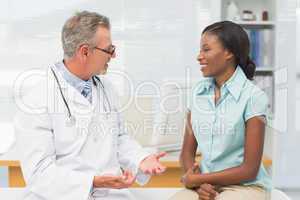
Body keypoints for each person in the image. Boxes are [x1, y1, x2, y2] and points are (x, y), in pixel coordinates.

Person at [14, 11, 166, 200]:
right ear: (85, 51)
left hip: (110, 195)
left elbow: (118, 139)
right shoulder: (36, 98)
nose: (114, 55)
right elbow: (39, 173)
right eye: (109, 50)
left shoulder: (107, 88)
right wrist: (92, 181)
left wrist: (141, 159)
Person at [169, 21, 271, 200]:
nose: (199, 57)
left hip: (244, 186)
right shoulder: (197, 92)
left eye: (206, 50)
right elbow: (186, 153)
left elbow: (250, 169)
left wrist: (198, 179)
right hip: (204, 184)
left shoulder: (253, 97)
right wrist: (198, 184)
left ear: (229, 53)